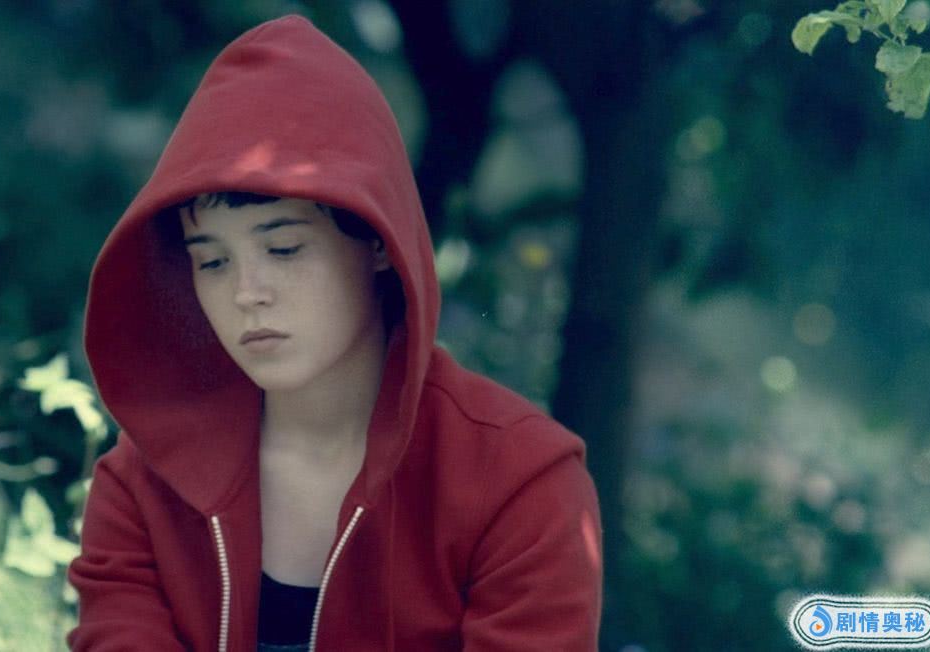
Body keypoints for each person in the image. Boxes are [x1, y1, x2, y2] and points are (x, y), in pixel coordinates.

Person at [67, 14, 602, 652]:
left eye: (284, 249)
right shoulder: (143, 481)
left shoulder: (521, 483)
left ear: (377, 241)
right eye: (212, 261)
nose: (246, 292)